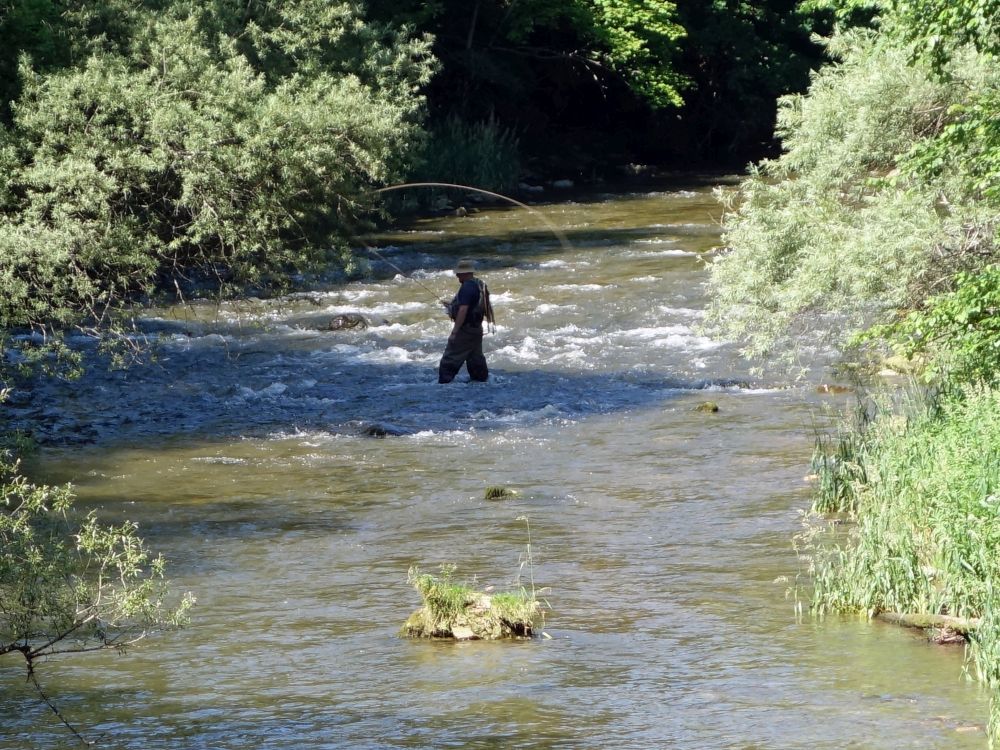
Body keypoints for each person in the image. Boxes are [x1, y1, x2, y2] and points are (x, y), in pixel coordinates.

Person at [438, 259, 489, 383]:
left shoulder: (467, 287)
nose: (457, 276)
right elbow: (472, 306)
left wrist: (455, 332)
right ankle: (482, 384)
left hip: (465, 330)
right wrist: (451, 305)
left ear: (465, 273)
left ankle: (443, 386)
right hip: (476, 329)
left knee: (449, 360)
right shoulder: (478, 284)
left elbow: (463, 310)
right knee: (475, 360)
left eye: (459, 273)